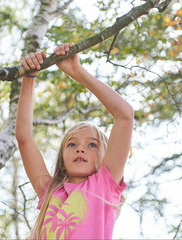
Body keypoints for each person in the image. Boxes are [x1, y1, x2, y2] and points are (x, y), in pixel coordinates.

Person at [15, 43, 134, 239]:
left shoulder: (104, 185)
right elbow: (24, 138)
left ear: (105, 155)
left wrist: (77, 71)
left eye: (92, 144)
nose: (80, 149)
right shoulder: (50, 192)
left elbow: (125, 115)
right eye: (72, 144)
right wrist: (29, 77)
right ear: (61, 159)